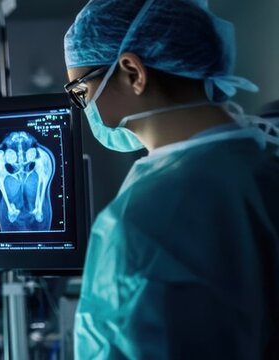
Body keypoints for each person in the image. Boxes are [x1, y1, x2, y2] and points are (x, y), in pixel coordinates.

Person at [63, 0, 279, 358]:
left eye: (81, 92)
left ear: (133, 71)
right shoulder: (265, 162)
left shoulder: (144, 221)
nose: (83, 107)